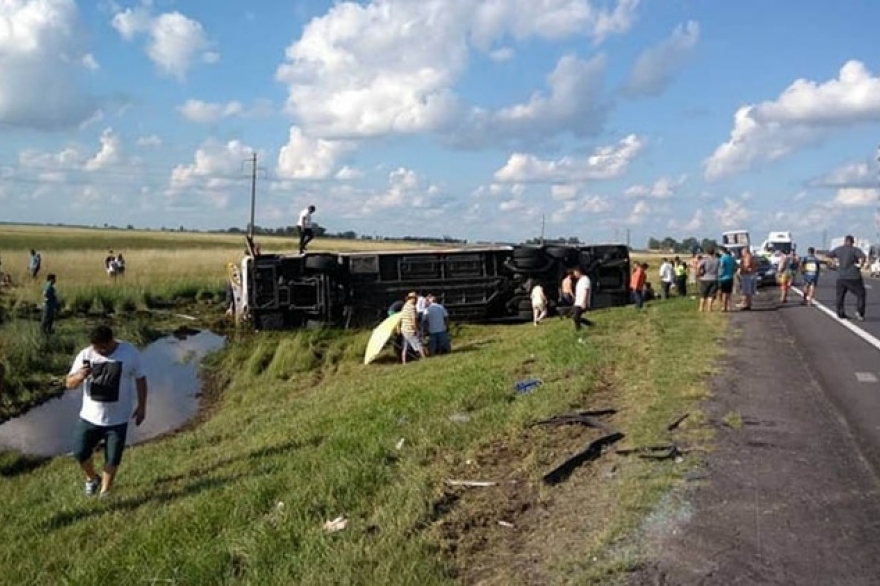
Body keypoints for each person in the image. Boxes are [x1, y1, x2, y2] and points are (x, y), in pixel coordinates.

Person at [64, 325, 148, 497]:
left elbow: (141, 379)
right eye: (96, 348)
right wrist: (80, 376)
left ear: (112, 341)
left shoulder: (129, 352)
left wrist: (142, 406)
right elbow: (68, 384)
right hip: (89, 417)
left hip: (118, 419)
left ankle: (105, 492)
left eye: (103, 347)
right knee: (80, 452)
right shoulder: (85, 354)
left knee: (112, 458)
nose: (100, 351)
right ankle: (92, 478)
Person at [827, 235, 867, 321]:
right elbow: (863, 257)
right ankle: (859, 312)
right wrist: (860, 265)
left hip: (841, 276)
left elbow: (828, 256)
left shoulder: (839, 249)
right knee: (861, 294)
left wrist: (833, 264)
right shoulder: (855, 250)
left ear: (845, 241)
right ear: (852, 242)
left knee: (840, 296)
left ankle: (840, 313)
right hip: (854, 276)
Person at [399, 292, 426, 363]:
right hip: (410, 330)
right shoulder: (412, 307)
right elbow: (413, 320)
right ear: (413, 299)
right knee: (418, 344)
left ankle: (404, 362)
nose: (417, 300)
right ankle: (425, 359)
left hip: (404, 329)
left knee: (405, 347)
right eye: (416, 299)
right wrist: (416, 329)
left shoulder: (404, 306)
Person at [717, 247, 737, 312]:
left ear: (721, 251)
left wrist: (719, 274)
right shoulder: (731, 258)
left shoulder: (722, 258)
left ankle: (723, 307)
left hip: (723, 278)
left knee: (724, 293)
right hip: (730, 277)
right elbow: (735, 266)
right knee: (728, 293)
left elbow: (721, 266)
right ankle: (729, 307)